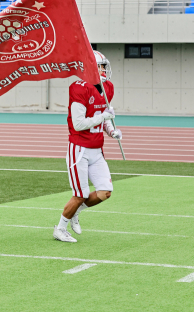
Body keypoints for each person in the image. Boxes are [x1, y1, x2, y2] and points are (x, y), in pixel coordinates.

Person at [53, 50, 122, 243]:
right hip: (80, 149)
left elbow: (103, 116)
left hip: (97, 148)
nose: (103, 70)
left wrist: (111, 130)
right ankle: (60, 229)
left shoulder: (107, 87)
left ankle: (76, 212)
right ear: (90, 67)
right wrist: (103, 117)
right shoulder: (79, 88)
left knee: (105, 192)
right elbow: (78, 123)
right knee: (80, 194)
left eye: (103, 66)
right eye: (100, 66)